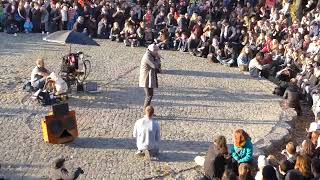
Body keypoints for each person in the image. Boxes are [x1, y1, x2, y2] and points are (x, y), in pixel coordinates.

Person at [139, 44, 161, 109]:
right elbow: (154, 66)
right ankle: (146, 111)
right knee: (149, 95)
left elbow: (158, 66)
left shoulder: (151, 55)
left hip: (149, 77)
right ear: (151, 51)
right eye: (156, 51)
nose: (157, 52)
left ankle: (146, 110)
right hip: (146, 79)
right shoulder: (147, 57)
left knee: (150, 95)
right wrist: (157, 58)